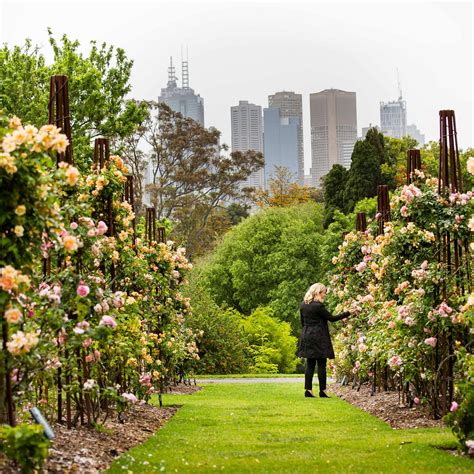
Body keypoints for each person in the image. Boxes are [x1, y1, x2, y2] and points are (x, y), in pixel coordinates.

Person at [297, 283, 351, 398]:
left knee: (310, 364)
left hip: (307, 336)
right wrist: (348, 313)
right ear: (318, 292)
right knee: (321, 364)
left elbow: (302, 322)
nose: (324, 295)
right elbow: (331, 318)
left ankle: (308, 390)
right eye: (323, 293)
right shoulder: (318, 306)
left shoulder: (303, 305)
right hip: (319, 337)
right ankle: (323, 391)